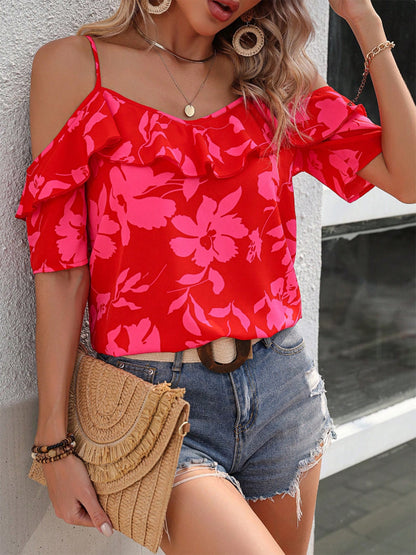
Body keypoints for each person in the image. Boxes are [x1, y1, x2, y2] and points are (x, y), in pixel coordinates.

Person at [16, 0, 415, 553]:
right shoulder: (75, 69)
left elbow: (408, 175)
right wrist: (52, 443)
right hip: (157, 405)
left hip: (280, 387)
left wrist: (366, 22)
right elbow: (61, 269)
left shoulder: (273, 81)